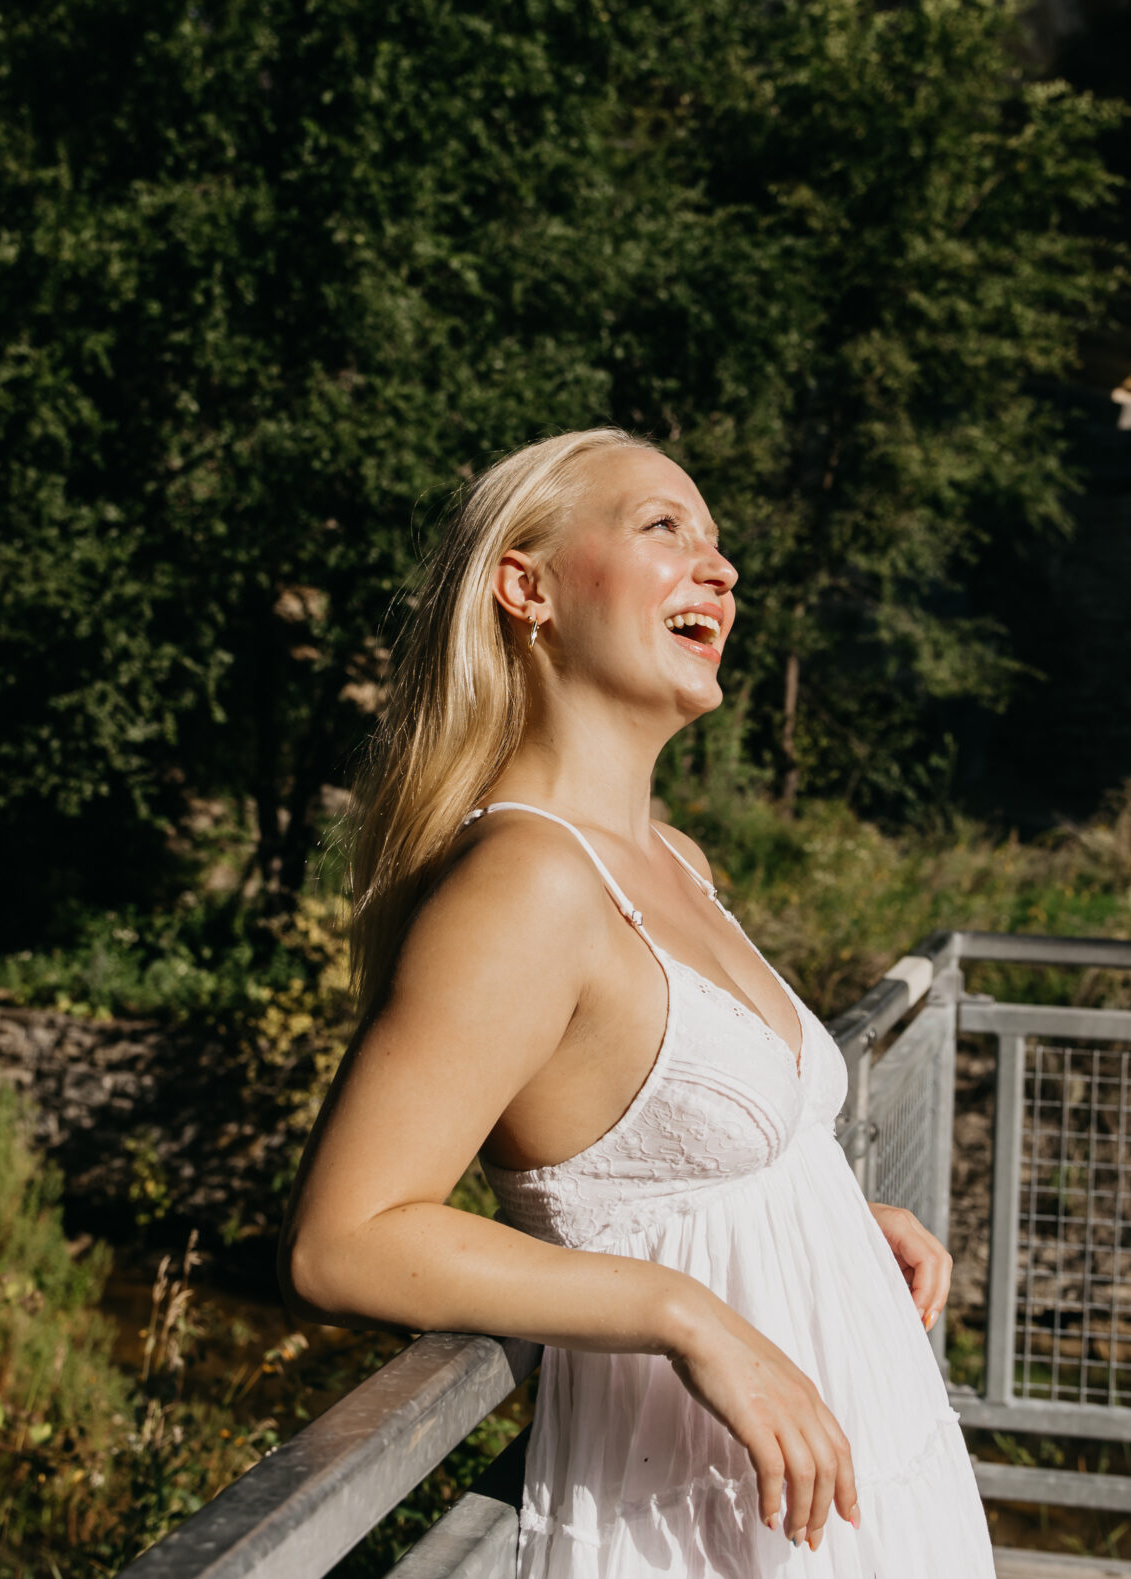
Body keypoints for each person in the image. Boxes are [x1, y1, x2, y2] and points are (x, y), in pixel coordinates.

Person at [282, 428, 995, 1577]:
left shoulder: (672, 854)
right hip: (703, 1516)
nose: (719, 570)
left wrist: (820, 1220)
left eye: (717, 544)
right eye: (665, 528)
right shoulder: (527, 885)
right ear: (528, 588)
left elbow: (674, 1155)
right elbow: (342, 1240)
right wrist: (685, 1314)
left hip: (851, 1457)